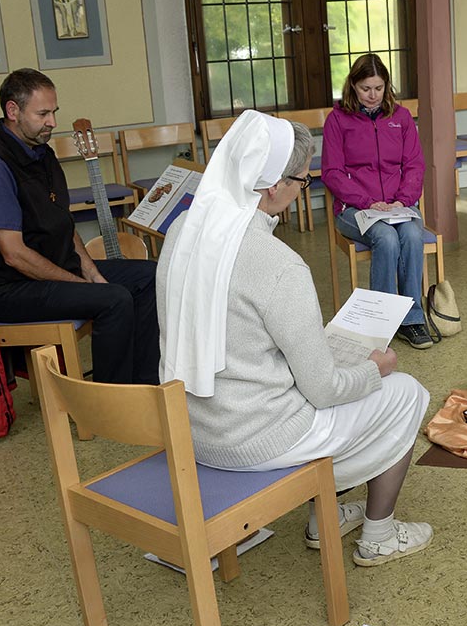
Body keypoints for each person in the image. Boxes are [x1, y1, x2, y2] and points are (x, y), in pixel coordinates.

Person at [157, 109, 433, 567]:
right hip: (255, 439)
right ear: (271, 185)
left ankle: (321, 518)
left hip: (194, 427)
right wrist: (372, 369)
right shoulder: (278, 263)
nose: (302, 188)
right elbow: (323, 391)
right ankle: (379, 535)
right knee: (404, 393)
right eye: (302, 181)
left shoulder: (183, 232)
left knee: (330, 373)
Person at [0, 68, 159, 385]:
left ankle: (145, 381)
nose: (52, 122)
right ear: (12, 111)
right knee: (114, 298)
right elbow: (14, 255)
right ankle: (109, 400)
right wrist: (79, 285)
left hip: (53, 266)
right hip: (12, 287)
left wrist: (91, 272)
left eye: (54, 112)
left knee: (148, 276)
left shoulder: (42, 152)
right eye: (43, 113)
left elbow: (63, 224)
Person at [323, 54, 433, 350]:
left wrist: (403, 201)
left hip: (398, 206)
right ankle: (380, 322)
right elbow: (332, 173)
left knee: (410, 234)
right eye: (365, 88)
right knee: (385, 239)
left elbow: (415, 165)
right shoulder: (337, 120)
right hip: (355, 208)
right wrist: (368, 202)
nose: (372, 96)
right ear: (352, 87)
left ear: (387, 87)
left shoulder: (402, 117)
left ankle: (411, 319)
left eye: (379, 88)